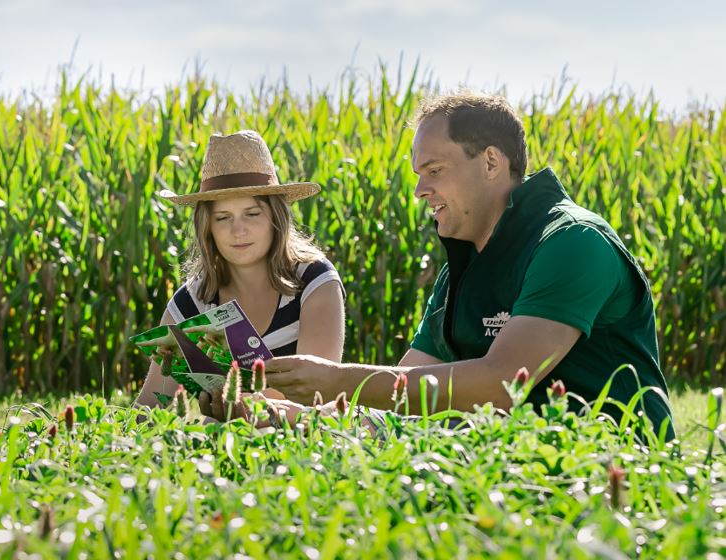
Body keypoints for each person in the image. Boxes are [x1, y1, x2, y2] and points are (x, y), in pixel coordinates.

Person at [263, 92, 674, 438]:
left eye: (435, 171)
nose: (421, 191)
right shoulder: (464, 267)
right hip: (519, 470)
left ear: (491, 163)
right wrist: (281, 419)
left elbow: (501, 383)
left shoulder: (573, 242)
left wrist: (339, 380)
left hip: (619, 469)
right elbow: (400, 397)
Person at [134, 130, 346, 407]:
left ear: (276, 217)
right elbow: (152, 399)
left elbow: (318, 394)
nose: (238, 230)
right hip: (224, 442)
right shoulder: (192, 300)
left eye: (252, 214)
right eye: (223, 218)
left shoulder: (315, 281)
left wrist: (245, 409)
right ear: (207, 227)